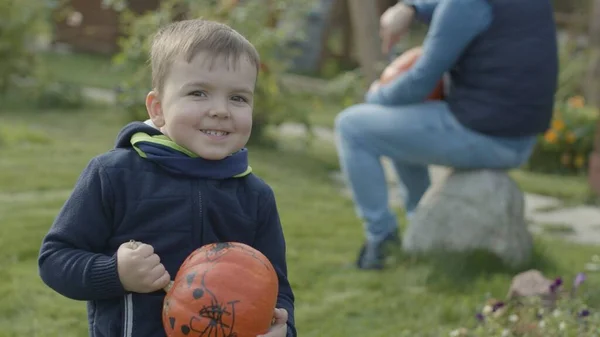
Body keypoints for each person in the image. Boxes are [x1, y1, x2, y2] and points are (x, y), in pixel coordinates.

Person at [37, 19, 296, 337]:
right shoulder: (114, 175)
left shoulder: (255, 196)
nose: (220, 110)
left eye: (238, 98)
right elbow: (55, 259)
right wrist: (115, 273)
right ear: (158, 108)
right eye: (199, 93)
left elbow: (276, 288)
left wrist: (283, 327)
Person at [334, 0, 558, 270]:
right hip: (520, 139)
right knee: (399, 124)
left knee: (352, 126)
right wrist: (412, 8)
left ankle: (381, 239)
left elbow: (419, 82)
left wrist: (376, 95)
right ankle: (422, 219)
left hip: (483, 135)